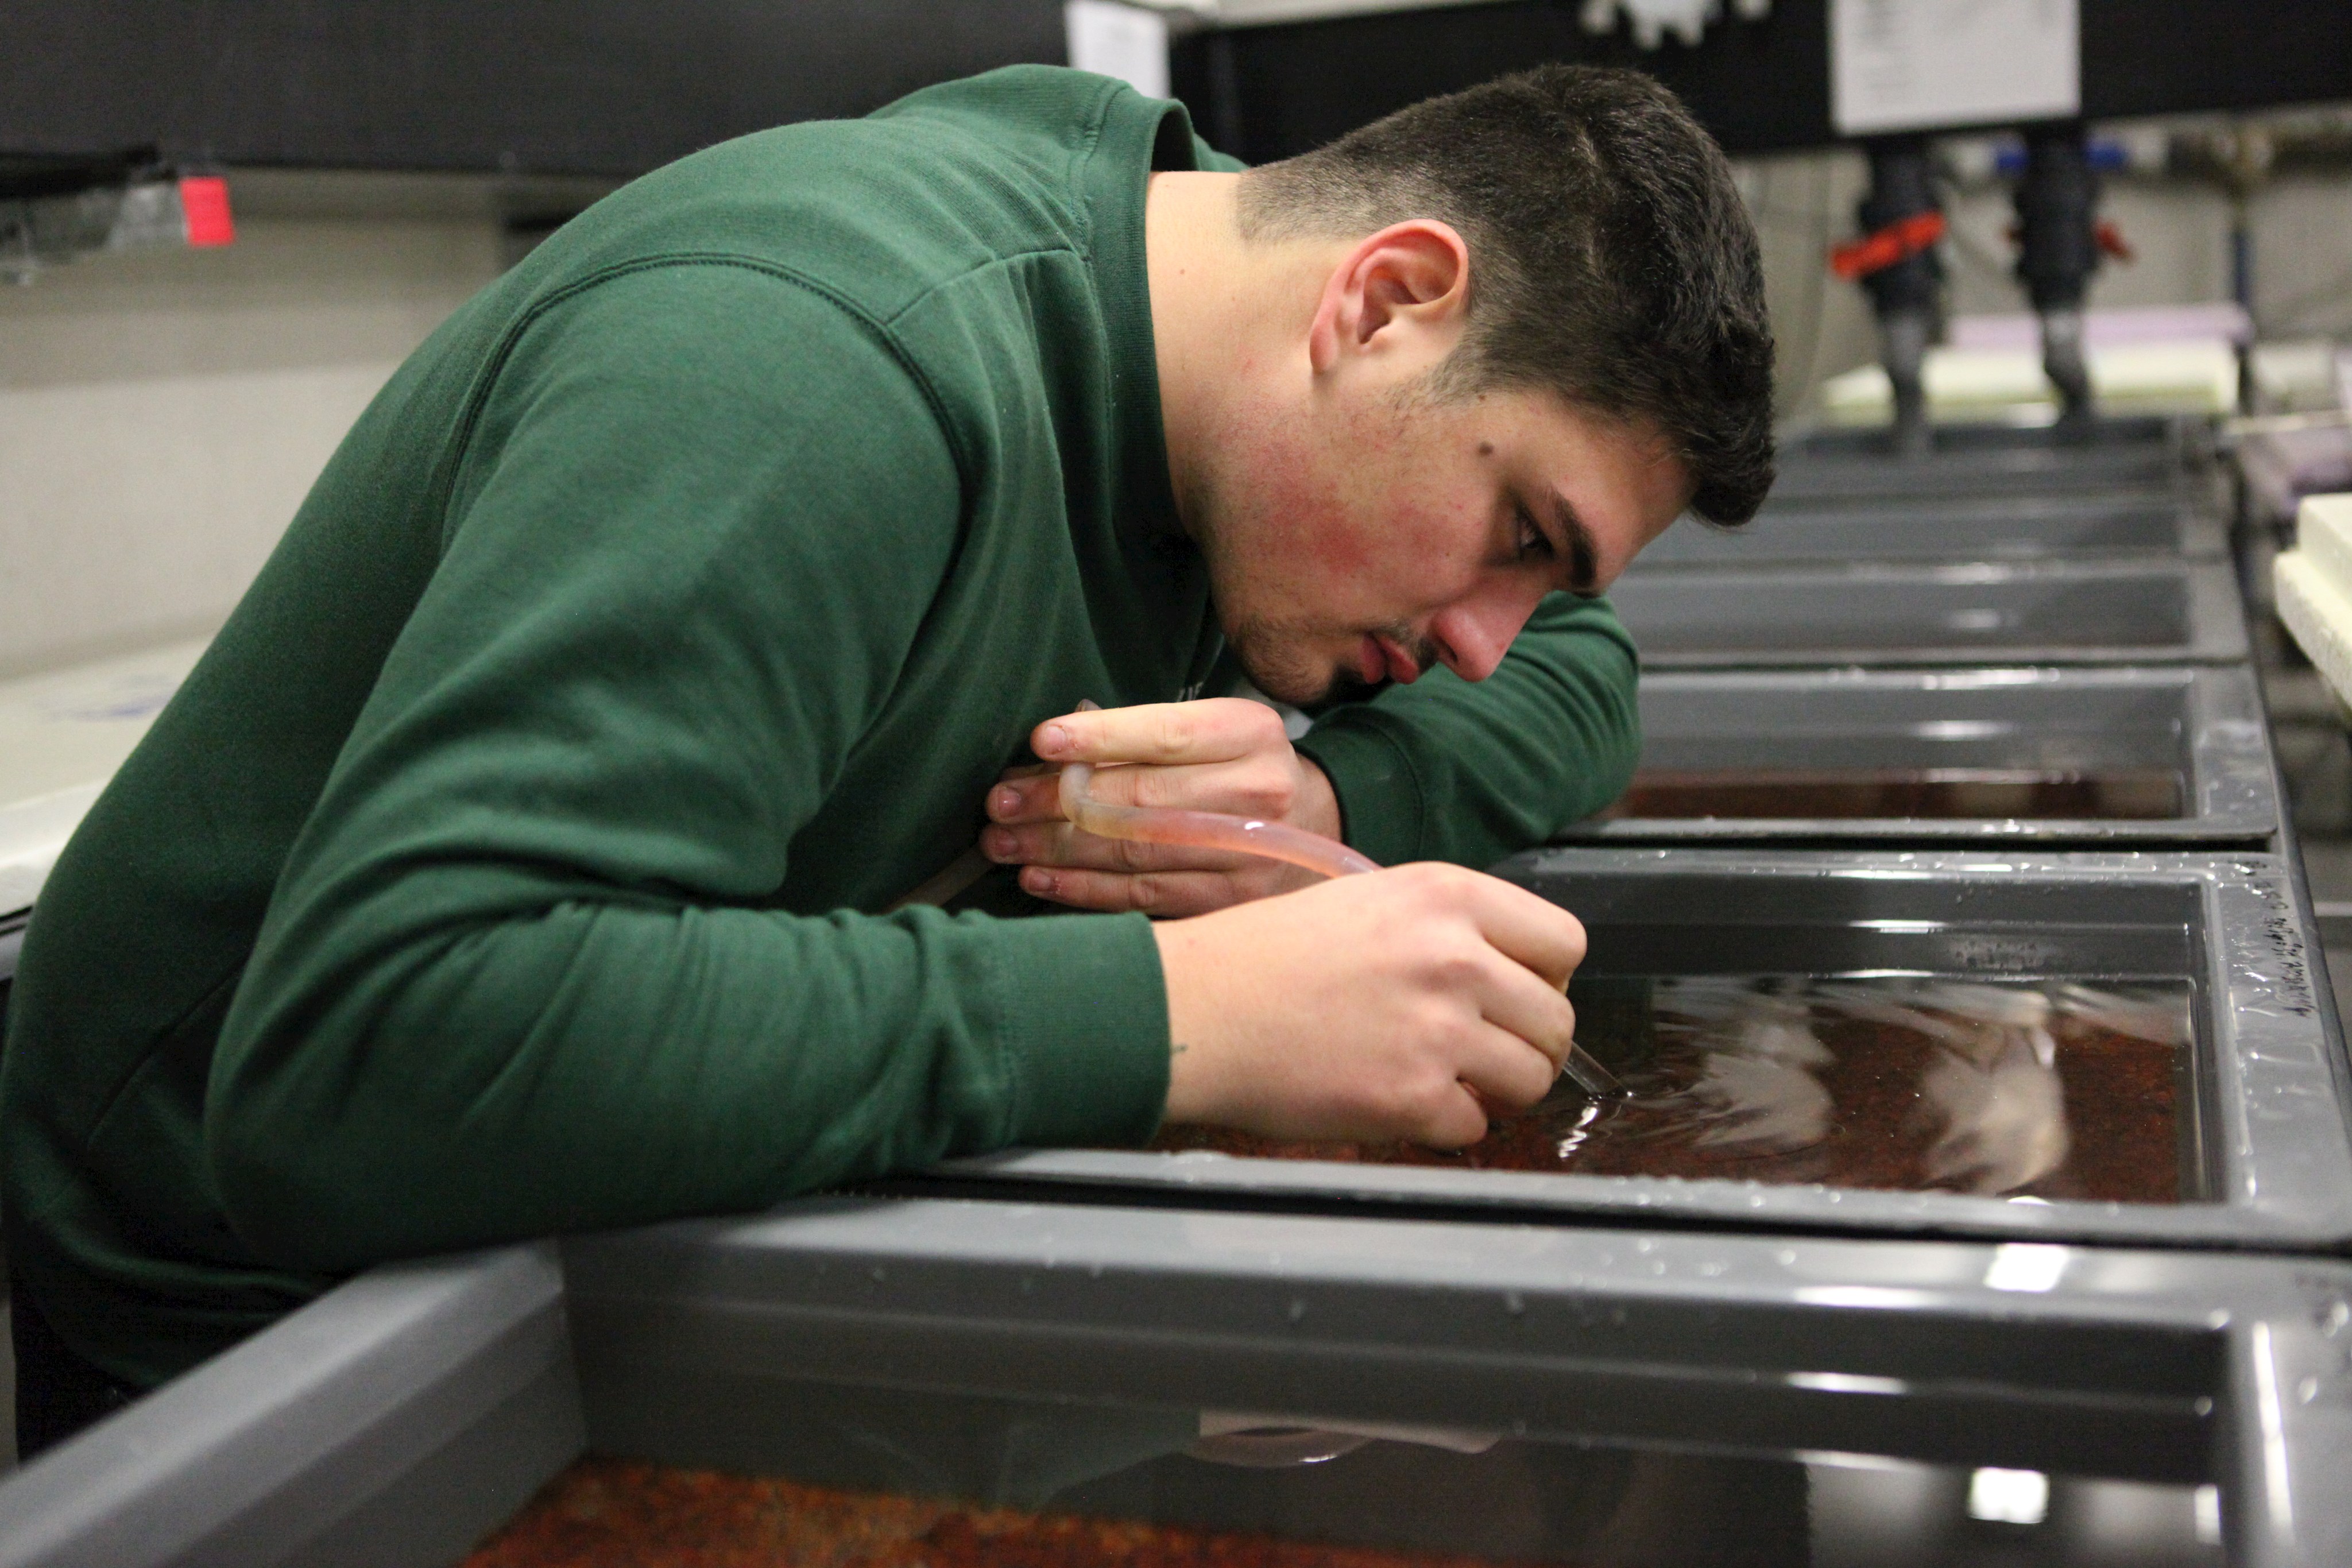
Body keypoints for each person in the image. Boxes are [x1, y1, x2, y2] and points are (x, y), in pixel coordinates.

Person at [0, 61, 1773, 1452]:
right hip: (258, 1319)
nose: (1488, 635)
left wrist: (1317, 803)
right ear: (1383, 300)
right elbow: (371, 1053)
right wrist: (1192, 1015)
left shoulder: (1211, 348)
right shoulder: (816, 363)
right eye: (1519, 531)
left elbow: (1585, 677)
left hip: (614, 1228)